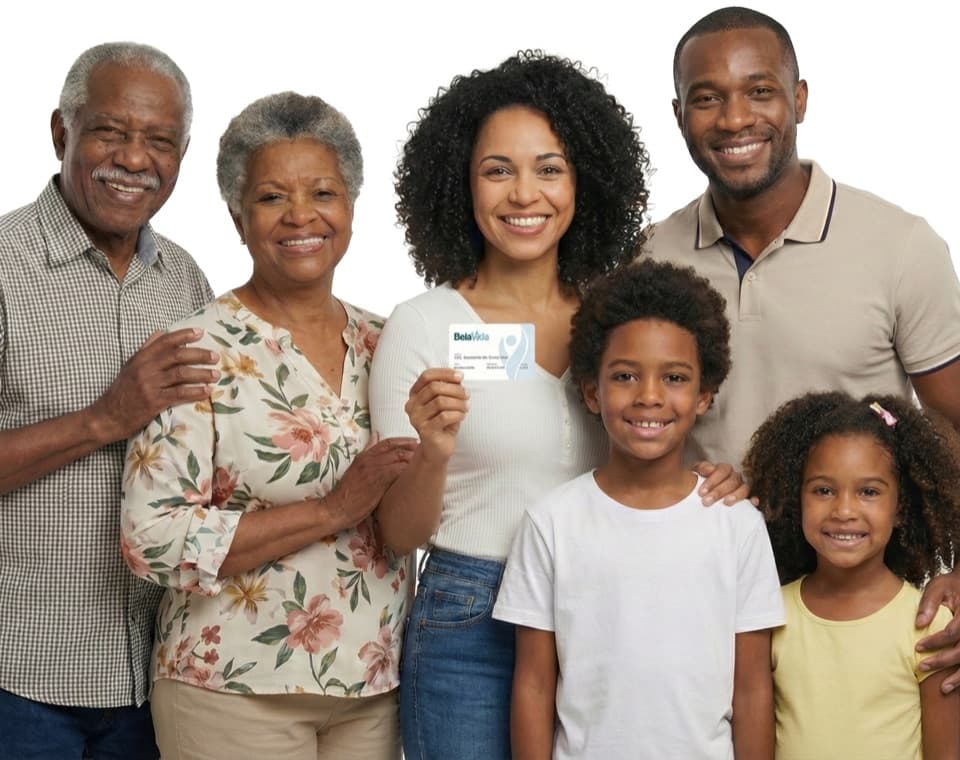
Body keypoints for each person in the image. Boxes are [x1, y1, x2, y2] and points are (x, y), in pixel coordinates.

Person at [369, 51, 746, 760]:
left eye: (549, 168)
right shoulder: (426, 325)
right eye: (497, 170)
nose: (524, 195)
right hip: (470, 614)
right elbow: (397, 532)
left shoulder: (619, 324)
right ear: (462, 185)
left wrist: (712, 479)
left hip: (607, 601)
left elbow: (660, 437)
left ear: (584, 181)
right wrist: (434, 453)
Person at [645, 4, 960, 688]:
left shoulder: (900, 247)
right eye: (707, 99)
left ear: (800, 99)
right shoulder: (652, 257)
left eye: (759, 91)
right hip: (698, 598)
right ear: (678, 116)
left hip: (860, 595)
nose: (733, 120)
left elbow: (954, 421)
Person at [120, 92, 417, 760]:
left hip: (373, 686)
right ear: (237, 218)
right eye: (271, 198)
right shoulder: (195, 347)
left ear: (351, 206)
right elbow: (154, 540)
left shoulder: (389, 342)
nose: (301, 216)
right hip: (229, 689)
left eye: (323, 192)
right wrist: (333, 508)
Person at [0, 42, 217, 759]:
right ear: (62, 132)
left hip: (154, 684)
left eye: (159, 141)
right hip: (18, 678)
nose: (134, 158)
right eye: (111, 131)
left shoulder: (185, 282)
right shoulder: (4, 266)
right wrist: (105, 419)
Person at [493, 259, 784, 759]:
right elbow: (535, 686)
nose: (649, 397)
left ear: (704, 397)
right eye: (625, 376)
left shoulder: (736, 524)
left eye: (674, 377)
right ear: (591, 391)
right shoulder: (552, 523)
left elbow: (753, 688)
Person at [744, 392, 960, 759]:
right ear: (797, 499)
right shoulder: (769, 614)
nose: (844, 510)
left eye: (869, 492)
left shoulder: (928, 624)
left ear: (900, 508)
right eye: (824, 490)